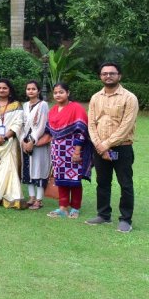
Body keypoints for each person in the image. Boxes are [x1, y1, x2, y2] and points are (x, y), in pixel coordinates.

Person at [86, 62, 138, 232]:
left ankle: (126, 219)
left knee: (125, 184)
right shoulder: (95, 98)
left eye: (112, 73)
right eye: (104, 73)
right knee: (102, 182)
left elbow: (126, 126)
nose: (108, 76)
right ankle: (103, 215)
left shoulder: (129, 98)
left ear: (119, 76)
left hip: (121, 148)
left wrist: (106, 145)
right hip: (100, 148)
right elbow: (91, 124)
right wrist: (99, 145)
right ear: (100, 76)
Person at [47, 83, 93, 220]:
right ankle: (62, 207)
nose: (58, 95)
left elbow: (82, 131)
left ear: (68, 92)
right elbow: (49, 130)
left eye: (61, 92)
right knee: (60, 179)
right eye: (55, 93)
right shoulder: (53, 110)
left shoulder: (77, 108)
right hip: (57, 151)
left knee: (74, 180)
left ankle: (75, 208)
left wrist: (77, 151)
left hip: (73, 150)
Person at [0, 79, 26, 209]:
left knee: (10, 166)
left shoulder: (16, 105)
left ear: (9, 90)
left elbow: (18, 123)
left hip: (10, 142)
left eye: (4, 88)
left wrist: (6, 136)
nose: (1, 90)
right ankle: (0, 195)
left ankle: (10, 196)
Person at [20, 80, 51, 210]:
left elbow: (43, 124)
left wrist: (32, 141)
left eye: (33, 89)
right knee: (28, 170)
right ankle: (31, 197)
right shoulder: (25, 105)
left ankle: (39, 199)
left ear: (38, 91)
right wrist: (22, 140)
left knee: (38, 169)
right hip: (25, 140)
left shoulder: (43, 105)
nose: (31, 91)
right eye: (28, 89)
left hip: (37, 141)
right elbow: (21, 124)